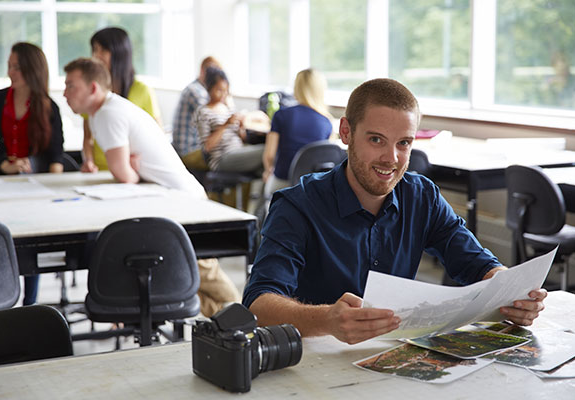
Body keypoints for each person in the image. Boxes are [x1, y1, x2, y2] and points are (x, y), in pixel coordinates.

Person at [242, 78, 547, 345]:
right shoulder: (298, 205)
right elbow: (258, 304)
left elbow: (477, 263)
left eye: (404, 143)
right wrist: (326, 320)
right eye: (376, 139)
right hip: (317, 364)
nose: (392, 158)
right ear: (346, 132)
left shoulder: (422, 196)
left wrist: (513, 293)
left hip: (391, 356)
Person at [63, 57, 240, 316]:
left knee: (205, 273)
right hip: (170, 200)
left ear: (92, 88)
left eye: (71, 86)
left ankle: (248, 322)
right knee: (195, 284)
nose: (65, 93)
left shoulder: (108, 114)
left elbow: (125, 176)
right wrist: (129, 169)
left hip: (183, 204)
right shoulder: (104, 112)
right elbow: (126, 172)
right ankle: (230, 324)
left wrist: (129, 170)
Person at [0, 42, 64, 305]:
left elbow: (55, 152)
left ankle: (31, 301)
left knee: (31, 243)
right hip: (0, 180)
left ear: (31, 68)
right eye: (9, 66)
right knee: (1, 236)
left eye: (16, 66)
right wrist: (3, 162)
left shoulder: (49, 106)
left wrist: (45, 172)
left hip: (33, 184)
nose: (10, 72)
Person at [81, 27, 162, 173]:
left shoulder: (142, 90)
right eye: (94, 50)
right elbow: (88, 138)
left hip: (134, 172)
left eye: (103, 50)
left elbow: (158, 137)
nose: (96, 56)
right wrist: (88, 161)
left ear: (119, 53)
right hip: (99, 172)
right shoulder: (93, 91)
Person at [262, 68, 333, 196]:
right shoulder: (327, 122)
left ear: (297, 88)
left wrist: (268, 171)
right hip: (311, 188)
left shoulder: (281, 115)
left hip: (283, 182)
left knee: (265, 188)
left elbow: (269, 156)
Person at [195, 67, 265, 174]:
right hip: (222, 158)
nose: (223, 94)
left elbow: (242, 138)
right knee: (267, 150)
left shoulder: (228, 108)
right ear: (209, 88)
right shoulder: (203, 112)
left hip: (238, 151)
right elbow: (207, 147)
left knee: (264, 168)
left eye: (226, 90)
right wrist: (225, 125)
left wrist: (241, 127)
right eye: (219, 90)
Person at [172, 56, 221, 170]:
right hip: (188, 150)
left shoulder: (202, 90)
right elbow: (215, 117)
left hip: (194, 147)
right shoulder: (196, 91)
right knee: (228, 158)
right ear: (203, 71)